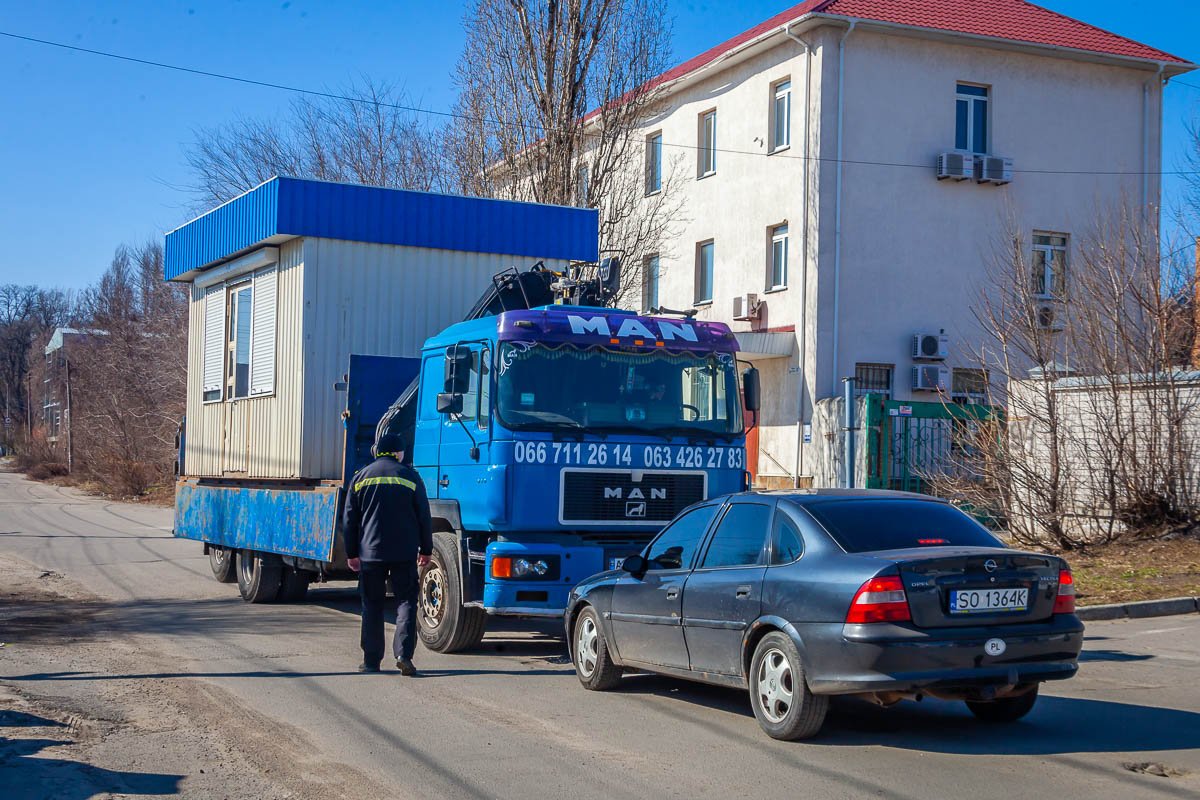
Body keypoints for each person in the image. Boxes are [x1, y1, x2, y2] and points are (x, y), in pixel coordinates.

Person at [342, 433, 432, 675]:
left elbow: (349, 519)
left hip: (370, 554)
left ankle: (371, 661)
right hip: (403, 552)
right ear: (397, 453)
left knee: (371, 605)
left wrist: (351, 553)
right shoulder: (410, 477)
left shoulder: (360, 477)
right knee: (406, 602)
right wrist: (426, 549)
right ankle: (404, 654)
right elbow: (424, 517)